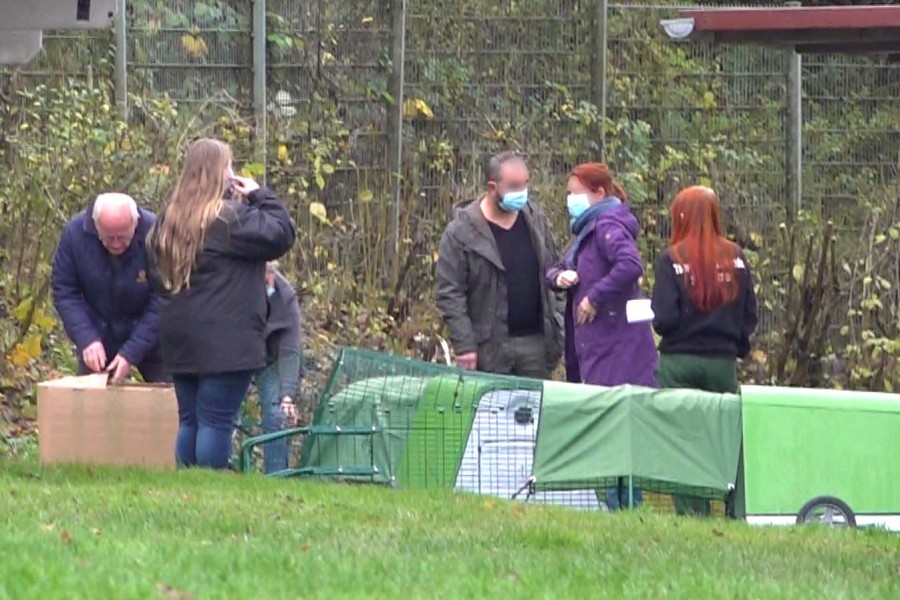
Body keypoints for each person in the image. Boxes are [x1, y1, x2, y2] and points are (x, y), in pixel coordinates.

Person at [146, 138, 296, 470]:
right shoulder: (229, 220)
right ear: (219, 173)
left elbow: (156, 279)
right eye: (228, 167)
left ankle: (188, 486)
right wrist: (260, 194)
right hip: (226, 342)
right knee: (215, 420)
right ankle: (208, 487)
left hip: (179, 337)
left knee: (189, 420)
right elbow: (281, 234)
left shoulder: (165, 223)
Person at [545, 162, 658, 511]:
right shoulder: (585, 231)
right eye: (568, 194)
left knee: (616, 424)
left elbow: (630, 265)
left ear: (599, 193)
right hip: (593, 345)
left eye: (575, 193)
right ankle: (617, 503)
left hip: (616, 345)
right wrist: (559, 277)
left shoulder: (608, 226)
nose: (570, 201)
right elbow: (562, 266)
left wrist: (595, 296)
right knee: (608, 424)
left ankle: (626, 504)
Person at [651, 185, 758, 517]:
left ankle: (693, 512)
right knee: (724, 438)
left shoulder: (671, 260)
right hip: (722, 363)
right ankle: (734, 508)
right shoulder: (736, 258)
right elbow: (750, 315)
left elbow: (664, 319)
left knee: (684, 438)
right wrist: (734, 344)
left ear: (679, 217)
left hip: (679, 361)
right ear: (715, 216)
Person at [435, 151, 563, 378]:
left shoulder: (536, 221)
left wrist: (558, 324)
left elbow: (554, 272)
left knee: (533, 413)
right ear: (492, 188)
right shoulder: (461, 233)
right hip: (489, 350)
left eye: (525, 184)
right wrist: (464, 345)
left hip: (536, 347)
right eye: (514, 186)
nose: (522, 193)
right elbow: (450, 292)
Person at [51, 192, 167, 383]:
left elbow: (164, 297)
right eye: (108, 237)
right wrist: (86, 338)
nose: (115, 244)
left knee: (170, 401)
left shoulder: (156, 233)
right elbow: (65, 291)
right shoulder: (75, 234)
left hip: (151, 335)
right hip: (99, 332)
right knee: (90, 405)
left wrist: (131, 352)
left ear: (135, 224)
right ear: (95, 226)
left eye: (122, 237)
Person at [251, 261, 303, 474]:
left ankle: (275, 478)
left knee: (276, 413)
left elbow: (291, 349)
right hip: (235, 357)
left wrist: (287, 396)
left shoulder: (285, 295)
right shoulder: (232, 286)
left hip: (269, 361)